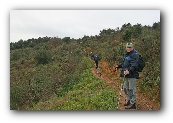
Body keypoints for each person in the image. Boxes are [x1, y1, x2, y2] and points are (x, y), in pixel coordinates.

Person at [116, 43, 139, 109]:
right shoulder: (127, 55)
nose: (128, 48)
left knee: (132, 89)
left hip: (132, 75)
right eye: (127, 47)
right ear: (126, 48)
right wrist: (119, 66)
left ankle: (133, 103)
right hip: (126, 75)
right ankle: (129, 100)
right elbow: (124, 63)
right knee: (126, 88)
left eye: (130, 47)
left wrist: (129, 70)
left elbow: (134, 65)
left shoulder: (135, 55)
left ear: (133, 47)